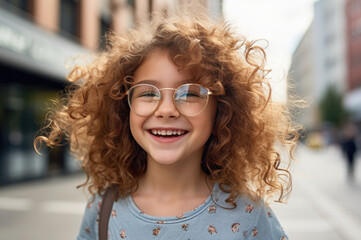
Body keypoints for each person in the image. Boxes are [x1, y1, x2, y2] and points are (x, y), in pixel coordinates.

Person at [35, 7, 300, 240]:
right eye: (148, 93)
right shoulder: (102, 209)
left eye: (190, 93)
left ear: (223, 110)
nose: (166, 110)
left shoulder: (249, 215)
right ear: (121, 108)